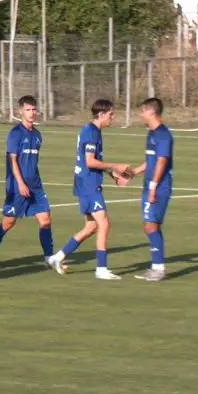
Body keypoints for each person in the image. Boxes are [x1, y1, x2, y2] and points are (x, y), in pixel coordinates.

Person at [48, 99, 131, 280]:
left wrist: (111, 173)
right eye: (110, 114)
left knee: (91, 226)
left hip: (85, 183)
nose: (113, 117)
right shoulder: (92, 132)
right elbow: (90, 161)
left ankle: (57, 257)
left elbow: (93, 161)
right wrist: (115, 166)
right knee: (104, 224)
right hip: (88, 185)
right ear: (101, 115)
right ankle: (101, 269)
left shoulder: (92, 131)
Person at [0, 95, 54, 269]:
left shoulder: (37, 135)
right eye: (28, 110)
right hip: (17, 186)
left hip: (35, 185)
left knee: (45, 220)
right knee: (9, 222)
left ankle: (49, 258)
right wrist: (20, 183)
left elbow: (33, 162)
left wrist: (34, 183)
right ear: (21, 111)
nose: (32, 113)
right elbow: (12, 160)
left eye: (34, 109)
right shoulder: (15, 134)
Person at [126, 97, 173, 282]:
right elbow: (150, 161)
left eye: (142, 111)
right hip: (149, 187)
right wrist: (133, 173)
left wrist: (153, 187)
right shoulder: (151, 133)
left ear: (152, 112)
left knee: (150, 225)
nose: (140, 114)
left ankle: (159, 269)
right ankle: (156, 266)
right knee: (151, 226)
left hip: (159, 187)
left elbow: (162, 162)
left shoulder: (163, 135)